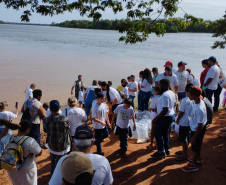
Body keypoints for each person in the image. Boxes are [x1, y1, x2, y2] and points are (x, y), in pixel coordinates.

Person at [49, 125, 114, 185]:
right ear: (92, 143)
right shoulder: (103, 161)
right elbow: (109, 183)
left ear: (73, 143)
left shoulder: (64, 160)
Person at [1, 120, 42, 185]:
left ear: (19, 128)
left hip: (12, 167)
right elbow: (39, 153)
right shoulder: (30, 141)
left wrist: (6, 128)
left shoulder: (9, 138)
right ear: (28, 130)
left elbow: (1, 137)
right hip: (26, 171)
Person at [181, 86, 207, 172]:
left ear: (194, 96)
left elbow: (200, 124)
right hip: (196, 128)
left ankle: (193, 165)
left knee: (195, 146)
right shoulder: (200, 101)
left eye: (189, 94)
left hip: (197, 130)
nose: (188, 95)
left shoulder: (199, 109)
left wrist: (195, 136)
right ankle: (197, 158)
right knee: (197, 145)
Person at [44, 100, 71, 176]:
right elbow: (68, 128)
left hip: (52, 145)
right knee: (61, 162)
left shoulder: (46, 120)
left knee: (53, 161)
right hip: (63, 145)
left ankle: (52, 175)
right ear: (59, 107)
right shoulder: (64, 118)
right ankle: (58, 177)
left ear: (50, 109)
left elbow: (45, 130)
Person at [151, 79, 175, 158]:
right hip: (170, 115)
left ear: (164, 86)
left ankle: (161, 151)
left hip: (165, 117)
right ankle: (166, 150)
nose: (159, 87)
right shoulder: (171, 93)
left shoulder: (165, 95)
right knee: (165, 133)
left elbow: (165, 109)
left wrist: (156, 118)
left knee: (157, 132)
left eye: (160, 85)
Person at [175, 83, 193, 161]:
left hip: (184, 122)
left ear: (185, 90)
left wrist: (178, 119)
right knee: (188, 137)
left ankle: (184, 155)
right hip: (191, 122)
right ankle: (184, 151)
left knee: (183, 139)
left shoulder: (185, 100)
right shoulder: (195, 99)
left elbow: (181, 112)